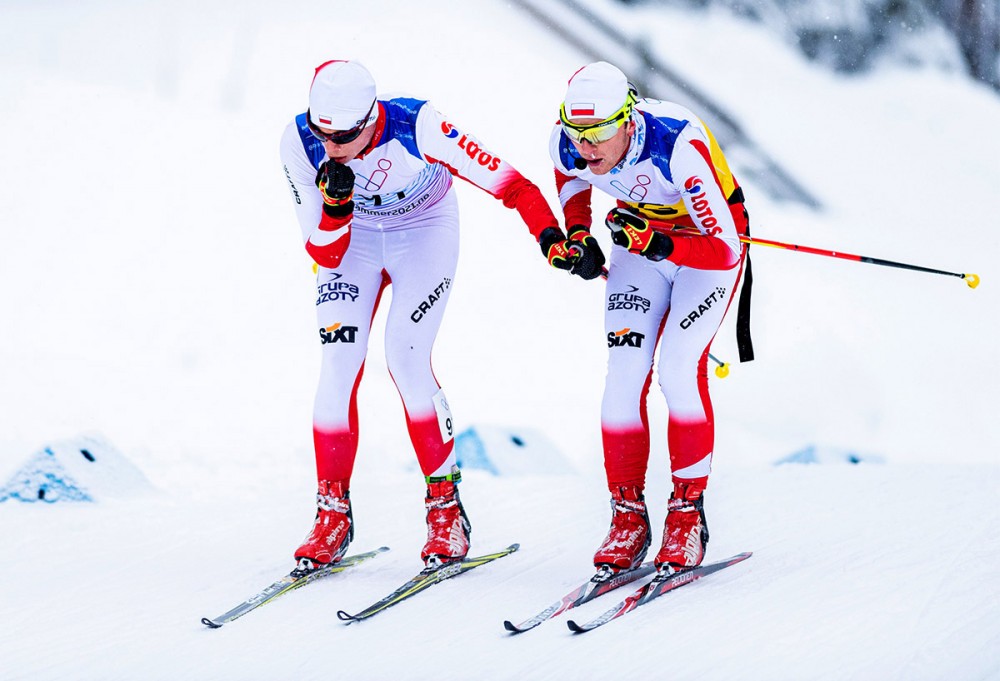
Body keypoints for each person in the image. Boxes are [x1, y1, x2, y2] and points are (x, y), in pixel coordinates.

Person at [279, 60, 602, 572]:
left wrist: (551, 238)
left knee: (405, 359)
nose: (331, 145)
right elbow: (324, 254)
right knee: (337, 365)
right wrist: (337, 208)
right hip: (355, 240)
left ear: (370, 118)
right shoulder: (299, 140)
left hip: (423, 230)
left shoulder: (417, 125)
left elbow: (513, 185)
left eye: (345, 135)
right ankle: (331, 513)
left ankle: (444, 507)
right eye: (324, 132)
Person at [548, 62, 751, 575]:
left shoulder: (676, 144)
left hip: (704, 246)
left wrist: (660, 242)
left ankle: (687, 513)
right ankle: (628, 516)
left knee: (678, 371)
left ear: (627, 119)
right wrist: (579, 234)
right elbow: (570, 182)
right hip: (640, 244)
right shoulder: (569, 141)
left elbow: (725, 250)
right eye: (576, 132)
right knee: (623, 376)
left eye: (597, 134)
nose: (586, 146)